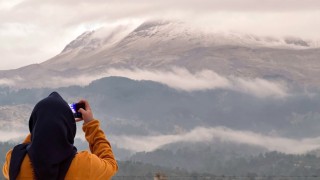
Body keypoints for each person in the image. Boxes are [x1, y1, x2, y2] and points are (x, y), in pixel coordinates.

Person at [2, 92, 118, 179]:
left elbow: (31, 145)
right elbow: (110, 164)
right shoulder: (84, 165)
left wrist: (41, 126)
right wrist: (90, 125)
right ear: (68, 127)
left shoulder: (14, 161)